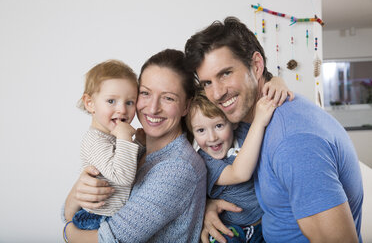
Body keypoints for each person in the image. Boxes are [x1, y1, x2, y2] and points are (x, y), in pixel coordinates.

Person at [184, 17, 363, 243]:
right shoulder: (241, 121)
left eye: (225, 73)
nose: (217, 93)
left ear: (256, 65)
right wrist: (209, 205)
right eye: (207, 83)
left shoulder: (294, 142)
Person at [62, 49, 207, 242]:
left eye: (168, 97)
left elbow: (112, 239)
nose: (153, 108)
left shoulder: (178, 167)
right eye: (145, 93)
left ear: (186, 106)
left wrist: (66, 232)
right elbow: (71, 213)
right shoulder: (135, 150)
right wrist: (77, 193)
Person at [186, 90, 277, 243]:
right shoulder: (204, 160)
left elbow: (263, 95)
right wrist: (259, 122)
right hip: (231, 228)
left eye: (219, 125)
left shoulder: (244, 133)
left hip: (263, 224)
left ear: (233, 122)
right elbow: (239, 174)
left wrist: (277, 82)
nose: (212, 137)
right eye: (201, 130)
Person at [71, 60, 144, 230]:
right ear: (90, 103)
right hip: (98, 218)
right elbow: (123, 177)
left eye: (129, 102)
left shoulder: (111, 137)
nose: (122, 110)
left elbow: (130, 165)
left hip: (111, 216)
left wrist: (139, 144)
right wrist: (126, 137)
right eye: (111, 101)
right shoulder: (95, 141)